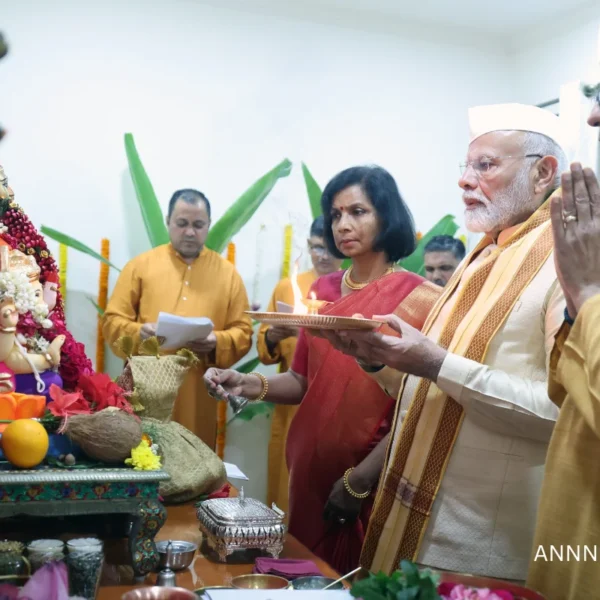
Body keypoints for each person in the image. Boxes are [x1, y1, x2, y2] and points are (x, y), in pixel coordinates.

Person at [322, 104, 568, 582]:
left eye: (487, 165)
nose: (465, 180)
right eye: (467, 166)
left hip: (482, 547)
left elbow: (563, 415)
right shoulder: (485, 252)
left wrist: (435, 364)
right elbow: (435, 389)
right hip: (413, 525)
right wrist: (377, 360)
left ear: (544, 172)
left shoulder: (569, 262)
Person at [204, 165, 440, 573]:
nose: (343, 225)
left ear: (387, 216)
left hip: (369, 474)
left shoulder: (421, 298)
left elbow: (420, 407)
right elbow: (300, 381)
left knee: (353, 580)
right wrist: (244, 382)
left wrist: (360, 481)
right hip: (307, 472)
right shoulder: (321, 293)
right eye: (335, 215)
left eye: (358, 212)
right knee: (303, 580)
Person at [103, 188, 253, 449]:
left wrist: (216, 341)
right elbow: (112, 322)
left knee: (195, 464)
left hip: (198, 393)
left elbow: (243, 331)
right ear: (168, 222)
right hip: (145, 391)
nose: (190, 232)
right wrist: (141, 333)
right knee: (143, 457)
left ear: (208, 225)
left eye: (198, 225)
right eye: (182, 224)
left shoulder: (228, 275)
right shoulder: (140, 266)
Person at [526, 90, 600, 600]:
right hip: (569, 523)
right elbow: (565, 387)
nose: (594, 117)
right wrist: (580, 303)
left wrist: (589, 293)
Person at [257, 215, 343, 513]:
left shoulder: (350, 289)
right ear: (308, 245)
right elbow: (265, 352)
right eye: (316, 248)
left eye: (329, 249)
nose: (322, 256)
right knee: (285, 489)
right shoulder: (287, 287)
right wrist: (272, 336)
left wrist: (311, 334)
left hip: (336, 411)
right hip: (291, 406)